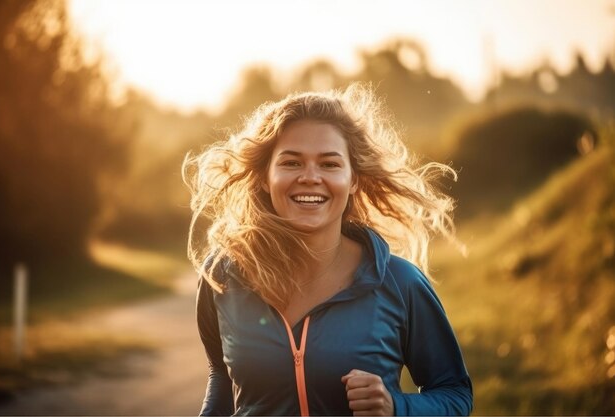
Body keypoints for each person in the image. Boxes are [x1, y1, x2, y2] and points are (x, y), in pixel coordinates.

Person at [182, 83, 473, 416]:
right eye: (291, 163)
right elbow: (221, 375)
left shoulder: (399, 282)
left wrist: (397, 407)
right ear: (264, 177)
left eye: (330, 164)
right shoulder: (223, 275)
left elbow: (455, 394)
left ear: (353, 180)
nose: (310, 177)